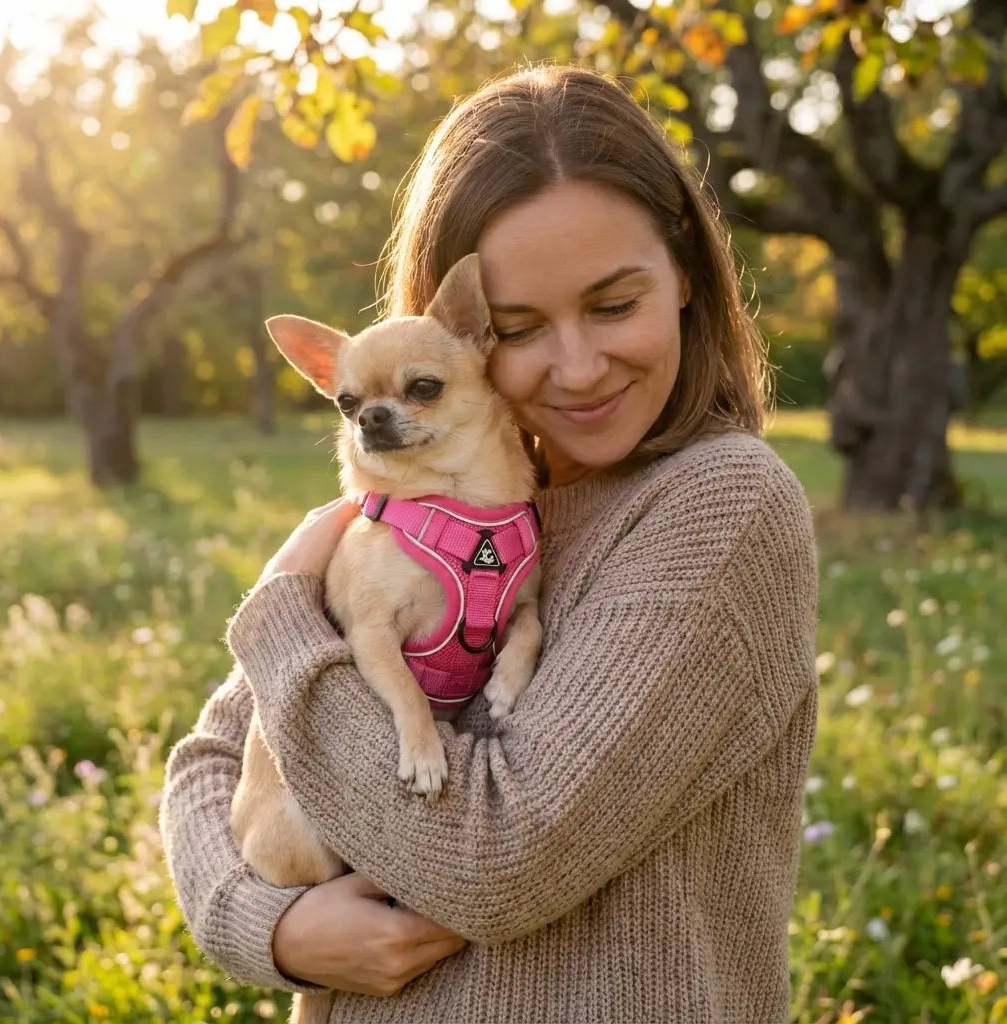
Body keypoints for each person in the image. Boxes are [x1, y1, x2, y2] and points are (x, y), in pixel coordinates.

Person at [160, 64, 818, 1023]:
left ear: (683, 273)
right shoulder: (429, 505)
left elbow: (496, 861)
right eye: (518, 327)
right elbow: (212, 760)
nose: (579, 366)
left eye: (613, 304)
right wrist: (268, 925)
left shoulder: (719, 508)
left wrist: (283, 617)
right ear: (457, 326)